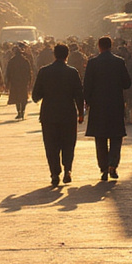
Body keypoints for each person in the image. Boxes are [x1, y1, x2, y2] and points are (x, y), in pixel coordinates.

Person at [32, 43, 85, 186]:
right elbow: (79, 95)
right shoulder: (72, 72)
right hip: (68, 114)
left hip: (49, 115)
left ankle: (55, 173)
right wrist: (81, 113)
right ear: (67, 55)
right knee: (68, 143)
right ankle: (67, 169)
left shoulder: (44, 72)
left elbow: (35, 95)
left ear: (54, 55)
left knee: (51, 145)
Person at [82, 36, 131, 182]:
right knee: (116, 136)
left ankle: (103, 168)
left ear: (99, 46)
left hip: (98, 106)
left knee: (100, 137)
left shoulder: (92, 63)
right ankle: (113, 165)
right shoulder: (119, 62)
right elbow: (127, 83)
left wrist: (87, 102)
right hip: (115, 104)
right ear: (111, 46)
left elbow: (87, 86)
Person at [5, 44, 33, 120]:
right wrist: (30, 81)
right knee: (24, 97)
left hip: (14, 82)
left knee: (17, 97)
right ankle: (23, 111)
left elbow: (8, 72)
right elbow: (29, 72)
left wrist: (7, 82)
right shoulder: (25, 60)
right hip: (23, 81)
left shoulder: (11, 61)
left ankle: (19, 112)